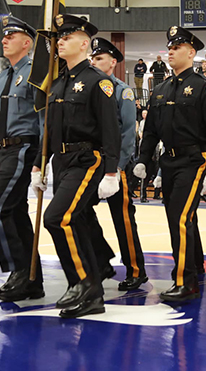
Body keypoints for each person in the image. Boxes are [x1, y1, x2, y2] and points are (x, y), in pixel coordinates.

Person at [30, 14, 120, 319]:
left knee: (56, 217)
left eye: (67, 37)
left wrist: (111, 170)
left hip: (87, 159)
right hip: (62, 161)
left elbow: (111, 128)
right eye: (59, 38)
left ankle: (82, 282)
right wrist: (38, 166)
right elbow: (49, 130)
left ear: (84, 44)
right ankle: (91, 293)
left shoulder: (98, 81)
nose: (60, 42)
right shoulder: (57, 84)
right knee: (77, 221)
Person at [134, 25, 206, 300]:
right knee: (182, 217)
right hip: (169, 162)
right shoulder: (160, 89)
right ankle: (195, 265)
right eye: (169, 48)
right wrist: (144, 161)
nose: (170, 51)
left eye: (176, 48)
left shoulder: (203, 88)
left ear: (191, 52)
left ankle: (186, 282)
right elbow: (151, 132)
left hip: (194, 160)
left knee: (180, 218)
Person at [0, 16, 46, 302]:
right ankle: (32, 280)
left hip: (23, 150)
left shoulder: (34, 72)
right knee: (16, 214)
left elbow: (44, 120)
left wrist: (42, 160)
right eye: (4, 36)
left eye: (11, 36)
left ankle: (17, 269)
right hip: (4, 151)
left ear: (27, 43)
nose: (4, 40)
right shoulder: (1, 76)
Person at [86, 37, 148, 291]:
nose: (93, 62)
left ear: (112, 62)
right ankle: (100, 261)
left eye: (99, 58)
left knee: (122, 218)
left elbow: (127, 133)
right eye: (92, 58)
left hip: (114, 165)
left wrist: (118, 167)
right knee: (80, 213)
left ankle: (136, 270)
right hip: (90, 162)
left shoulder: (123, 91)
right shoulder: (88, 87)